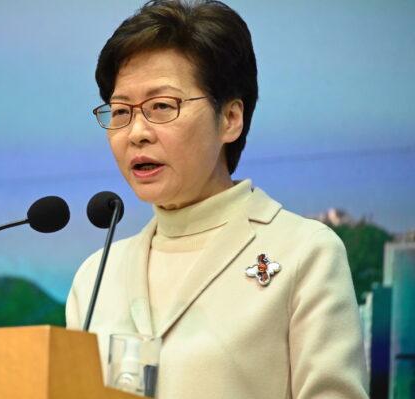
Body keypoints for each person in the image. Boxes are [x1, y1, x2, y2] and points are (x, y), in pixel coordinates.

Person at [66, 1, 368, 398]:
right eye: (121, 111)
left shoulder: (304, 253)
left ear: (230, 119)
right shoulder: (95, 277)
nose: (136, 131)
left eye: (161, 106)